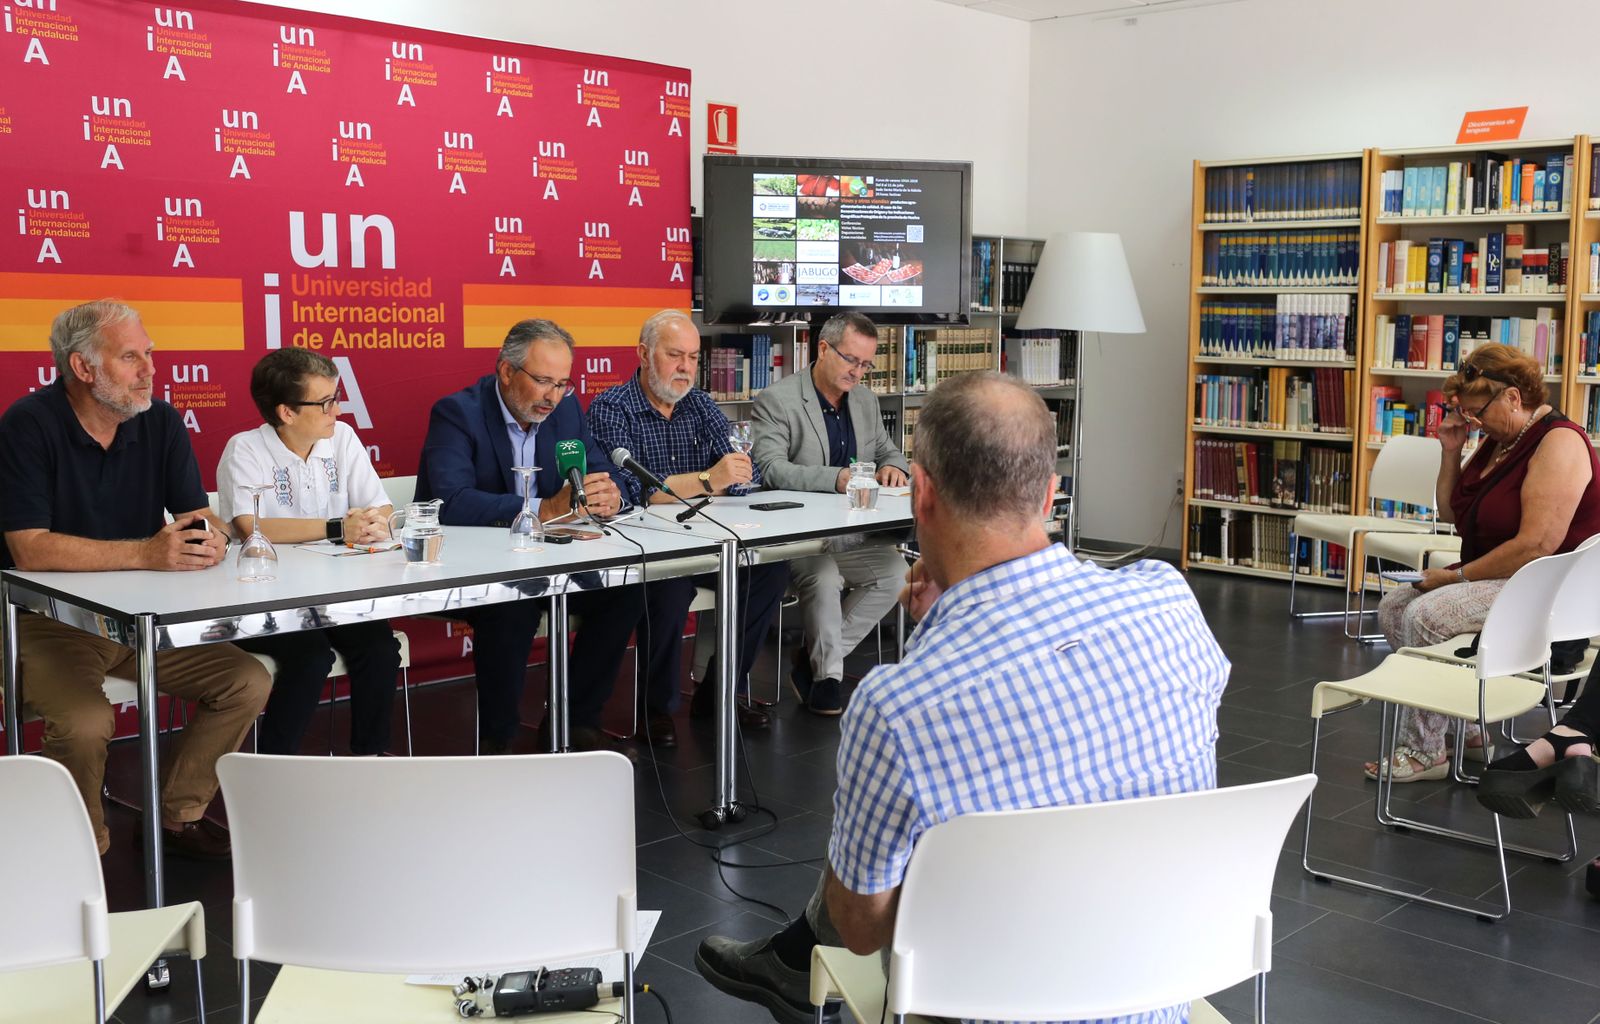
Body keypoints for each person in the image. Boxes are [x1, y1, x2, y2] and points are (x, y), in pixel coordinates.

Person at [696, 372, 1229, 1024]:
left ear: (920, 493)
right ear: (1050, 493)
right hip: (1155, 995)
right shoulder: (1168, 600)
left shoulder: (900, 707)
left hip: (983, 1004)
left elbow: (860, 930)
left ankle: (788, 962)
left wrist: (936, 639)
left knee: (894, 834)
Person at [0, 300, 271, 858]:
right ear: (82, 367)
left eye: (148, 353)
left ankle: (176, 815)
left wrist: (215, 537)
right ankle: (80, 852)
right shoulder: (27, 425)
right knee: (85, 721)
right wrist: (146, 553)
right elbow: (29, 548)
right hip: (46, 621)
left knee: (246, 680)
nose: (150, 369)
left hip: (139, 619)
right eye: (130, 357)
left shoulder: (160, 421)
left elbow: (196, 515)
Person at [1365, 343, 1600, 783]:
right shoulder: (1501, 441)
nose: (1471, 421)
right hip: (1505, 578)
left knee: (1426, 615)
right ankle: (1467, 730)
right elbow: (1452, 511)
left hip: (1547, 590)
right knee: (1393, 607)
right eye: (1465, 412)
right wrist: (1450, 451)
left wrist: (1454, 576)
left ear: (1512, 397)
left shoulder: (1559, 441)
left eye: (1476, 411)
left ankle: (1424, 750)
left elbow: (1537, 545)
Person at [416, 318, 644, 758]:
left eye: (562, 384)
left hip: (549, 562)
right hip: (479, 569)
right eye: (542, 381)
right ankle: (499, 741)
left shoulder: (566, 412)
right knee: (512, 609)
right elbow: (450, 501)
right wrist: (544, 509)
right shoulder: (457, 413)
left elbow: (602, 470)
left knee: (623, 592)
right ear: (506, 371)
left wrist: (609, 494)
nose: (552, 397)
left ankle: (576, 720)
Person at [588, 310, 788, 746]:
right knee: (670, 588)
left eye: (694, 358)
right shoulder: (611, 408)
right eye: (675, 355)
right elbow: (632, 490)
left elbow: (743, 474)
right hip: (647, 547)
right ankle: (656, 708)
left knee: (769, 570)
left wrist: (719, 479)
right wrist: (707, 479)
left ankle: (718, 692)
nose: (685, 367)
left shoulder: (700, 404)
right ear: (644, 354)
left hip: (705, 537)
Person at [215, 348, 400, 756]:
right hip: (267, 599)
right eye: (326, 402)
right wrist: (338, 528)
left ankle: (370, 759)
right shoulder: (245, 449)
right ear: (287, 412)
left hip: (335, 594)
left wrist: (373, 522)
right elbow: (250, 526)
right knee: (310, 658)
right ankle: (272, 770)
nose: (338, 410)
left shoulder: (342, 438)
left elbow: (382, 507)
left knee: (380, 650)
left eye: (337, 398)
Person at [750, 312, 909, 715]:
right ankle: (828, 678)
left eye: (866, 364)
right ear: (823, 349)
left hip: (852, 531)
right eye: (851, 360)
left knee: (896, 574)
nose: (858, 372)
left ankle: (814, 660)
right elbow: (770, 468)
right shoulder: (778, 399)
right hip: (798, 536)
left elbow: (888, 451)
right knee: (823, 577)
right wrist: (835, 478)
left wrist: (895, 467)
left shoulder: (866, 400)